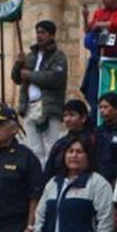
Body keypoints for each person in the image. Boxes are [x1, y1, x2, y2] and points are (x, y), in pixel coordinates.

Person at [11, 20, 68, 166]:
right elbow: (17, 78)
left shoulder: (58, 56)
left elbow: (55, 78)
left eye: (43, 33)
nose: (39, 36)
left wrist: (29, 75)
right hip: (30, 107)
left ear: (51, 35)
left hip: (48, 107)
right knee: (35, 149)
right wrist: (18, 64)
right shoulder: (30, 56)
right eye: (38, 32)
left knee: (51, 148)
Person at [42, 100, 96, 183]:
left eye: (71, 115)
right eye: (65, 115)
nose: (67, 119)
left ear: (83, 117)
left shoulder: (95, 140)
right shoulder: (60, 143)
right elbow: (49, 171)